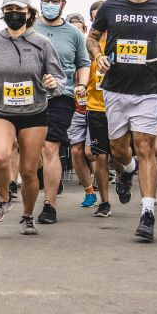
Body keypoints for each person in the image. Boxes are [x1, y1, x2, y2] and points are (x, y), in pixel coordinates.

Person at [86, 0, 157, 241]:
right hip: (115, 90)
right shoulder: (111, 7)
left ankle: (147, 213)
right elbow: (91, 38)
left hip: (148, 91)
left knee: (145, 148)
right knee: (119, 151)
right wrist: (98, 55)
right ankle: (126, 172)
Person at [0, 0, 65, 236]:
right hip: (2, 110)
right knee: (0, 157)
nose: (14, 14)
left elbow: (59, 78)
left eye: (19, 10)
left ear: (28, 13)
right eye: (9, 10)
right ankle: (4, 199)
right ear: (3, 13)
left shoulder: (42, 43)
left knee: (28, 170)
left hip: (34, 112)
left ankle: (27, 216)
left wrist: (52, 84)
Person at [33, 0, 91, 225]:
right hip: (29, 97)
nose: (50, 5)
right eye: (46, 0)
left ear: (63, 3)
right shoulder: (30, 29)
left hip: (61, 96)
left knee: (50, 148)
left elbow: (83, 63)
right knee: (31, 151)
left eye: (55, 1)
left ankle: (49, 205)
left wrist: (81, 85)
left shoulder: (74, 34)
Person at [63, 13, 97, 208]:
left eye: (79, 27)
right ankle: (89, 192)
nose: (75, 31)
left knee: (91, 152)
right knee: (76, 152)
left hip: (95, 109)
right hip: (75, 109)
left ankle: (120, 173)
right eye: (71, 27)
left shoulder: (95, 54)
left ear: (85, 30)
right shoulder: (66, 55)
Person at [83, 0, 113, 217]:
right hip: (96, 107)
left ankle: (127, 171)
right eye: (95, 16)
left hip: (121, 106)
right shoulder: (88, 46)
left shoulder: (119, 42)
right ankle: (105, 202)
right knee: (100, 156)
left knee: (122, 154)